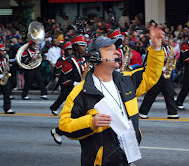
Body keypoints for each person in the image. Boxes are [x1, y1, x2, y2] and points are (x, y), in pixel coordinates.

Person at [58, 23, 165, 165]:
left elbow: (150, 75)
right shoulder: (81, 91)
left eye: (116, 49)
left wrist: (156, 48)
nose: (117, 52)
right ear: (96, 56)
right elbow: (64, 125)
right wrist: (91, 122)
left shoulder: (126, 80)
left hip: (127, 156)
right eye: (109, 49)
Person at [50, 36, 87, 144]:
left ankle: (58, 131)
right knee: (75, 118)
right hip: (74, 93)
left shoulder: (84, 59)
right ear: (75, 47)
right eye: (82, 45)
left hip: (83, 92)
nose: (84, 47)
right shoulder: (69, 61)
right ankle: (58, 131)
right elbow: (64, 80)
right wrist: (75, 84)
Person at [139, 38, 179, 119]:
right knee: (151, 94)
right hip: (156, 74)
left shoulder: (168, 48)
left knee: (169, 93)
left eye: (166, 39)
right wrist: (160, 68)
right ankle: (142, 112)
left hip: (166, 74)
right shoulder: (153, 49)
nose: (166, 40)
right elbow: (148, 62)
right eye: (163, 39)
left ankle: (172, 113)